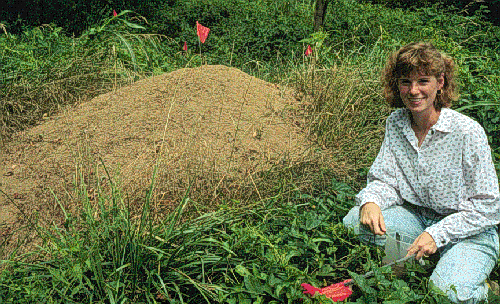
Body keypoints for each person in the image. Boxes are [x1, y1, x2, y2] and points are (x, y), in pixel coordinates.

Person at [343, 42, 500, 303]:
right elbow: (386, 179)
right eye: (405, 82)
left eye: (423, 81)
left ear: (440, 82)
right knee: (354, 221)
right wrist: (371, 201)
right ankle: (424, 261)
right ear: (397, 85)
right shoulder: (395, 123)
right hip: (418, 219)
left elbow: (488, 208)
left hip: (468, 232)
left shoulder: (467, 132)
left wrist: (437, 235)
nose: (413, 91)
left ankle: (486, 289)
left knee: (444, 294)